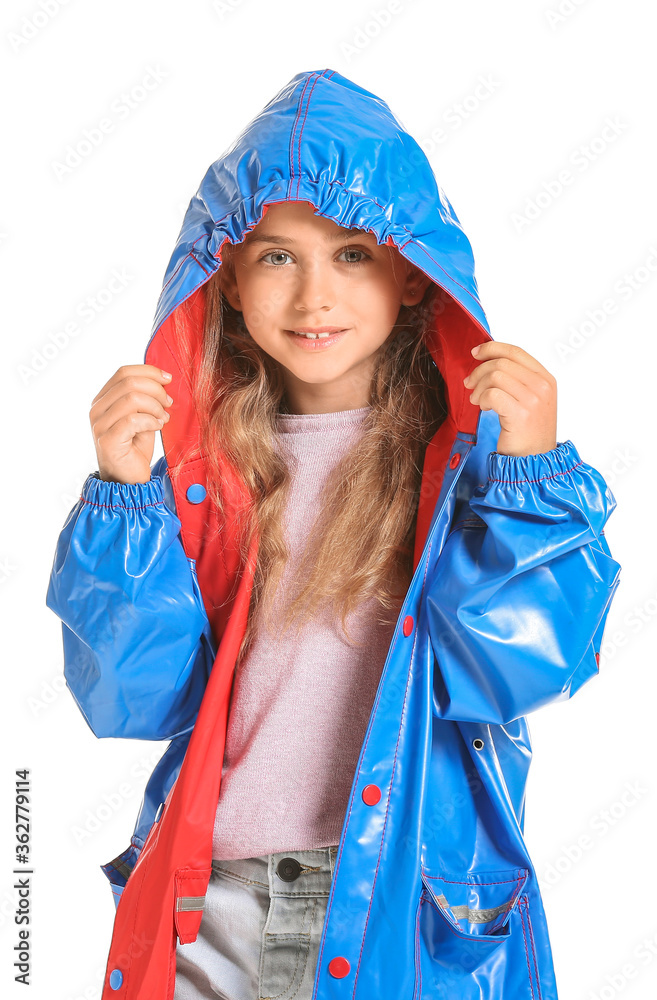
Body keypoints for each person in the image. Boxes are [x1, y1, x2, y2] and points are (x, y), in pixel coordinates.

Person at [46, 68, 621, 1000]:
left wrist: (530, 474)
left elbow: (522, 668)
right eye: (277, 256)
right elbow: (135, 700)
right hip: (212, 904)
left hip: (396, 897)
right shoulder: (197, 474)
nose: (315, 295)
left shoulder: (467, 466)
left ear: (412, 275)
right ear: (225, 276)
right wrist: (124, 497)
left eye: (351, 253)